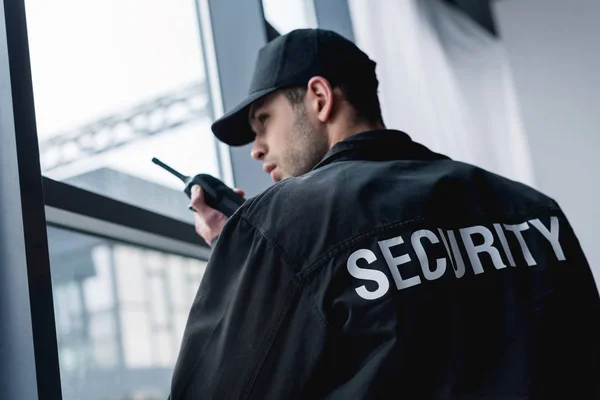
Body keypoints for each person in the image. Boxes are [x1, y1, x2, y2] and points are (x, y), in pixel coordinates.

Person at [169, 29, 599, 399]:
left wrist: (248, 257)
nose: (257, 147)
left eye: (264, 120)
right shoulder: (533, 210)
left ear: (319, 98)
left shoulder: (282, 224)